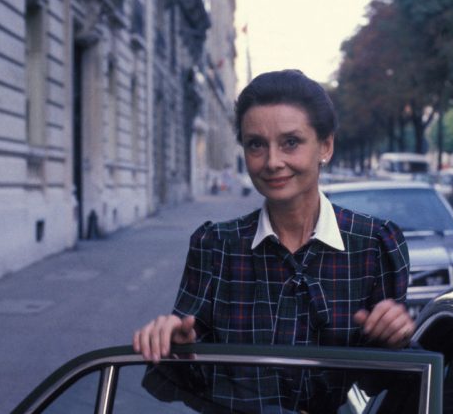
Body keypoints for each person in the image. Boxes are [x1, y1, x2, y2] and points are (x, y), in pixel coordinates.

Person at [133, 69, 415, 412]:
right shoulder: (215, 246)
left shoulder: (374, 245)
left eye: (290, 142)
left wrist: (394, 340)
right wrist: (174, 347)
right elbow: (185, 385)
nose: (272, 162)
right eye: (256, 144)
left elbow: (386, 390)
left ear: (325, 146)